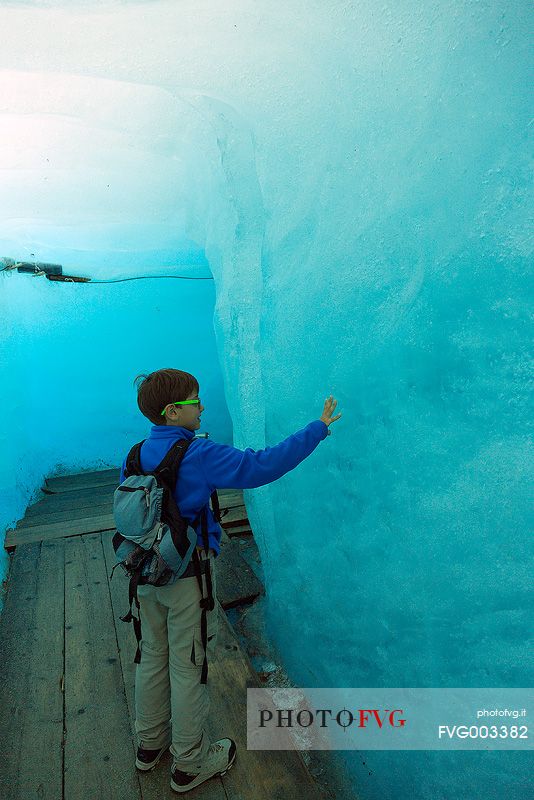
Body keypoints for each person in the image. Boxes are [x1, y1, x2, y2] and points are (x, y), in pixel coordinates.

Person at [120, 368, 341, 793]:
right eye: (195, 401)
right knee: (188, 665)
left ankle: (149, 746)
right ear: (173, 411)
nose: (202, 407)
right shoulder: (197, 454)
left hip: (145, 575)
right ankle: (189, 763)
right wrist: (317, 429)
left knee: (151, 656)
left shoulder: (134, 454)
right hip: (186, 578)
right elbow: (260, 466)